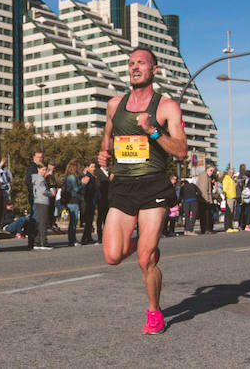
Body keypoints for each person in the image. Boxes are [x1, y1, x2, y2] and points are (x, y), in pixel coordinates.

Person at [98, 47, 187, 335]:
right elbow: (107, 140)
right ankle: (147, 244)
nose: (135, 67)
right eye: (132, 63)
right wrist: (104, 155)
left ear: (154, 70)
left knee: (145, 259)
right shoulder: (114, 105)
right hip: (123, 185)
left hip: (153, 184)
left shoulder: (167, 107)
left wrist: (153, 131)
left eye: (142, 63)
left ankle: (154, 311)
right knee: (112, 256)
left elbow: (182, 151)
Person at [31, 163, 55, 250]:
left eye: (45, 170)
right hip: (42, 201)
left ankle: (37, 242)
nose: (44, 172)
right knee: (43, 222)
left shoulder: (37, 178)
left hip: (38, 201)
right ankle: (43, 242)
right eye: (43, 170)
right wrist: (51, 193)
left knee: (40, 221)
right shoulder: (40, 179)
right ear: (38, 169)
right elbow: (43, 191)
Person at [63, 159, 85, 246]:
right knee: (73, 221)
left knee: (73, 221)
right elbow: (76, 190)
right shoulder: (72, 177)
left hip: (71, 200)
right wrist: (83, 183)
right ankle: (72, 240)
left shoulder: (69, 177)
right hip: (72, 200)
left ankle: (72, 239)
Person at [81, 162, 101, 244]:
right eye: (92, 167)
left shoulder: (92, 177)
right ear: (87, 167)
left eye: (94, 167)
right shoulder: (88, 177)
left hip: (92, 201)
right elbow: (87, 190)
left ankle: (87, 237)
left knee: (90, 220)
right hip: (89, 201)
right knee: (89, 220)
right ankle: (85, 238)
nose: (94, 169)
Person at [221, 167, 237, 232]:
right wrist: (226, 197)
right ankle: (227, 227)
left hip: (233, 197)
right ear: (228, 172)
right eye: (230, 172)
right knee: (228, 212)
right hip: (229, 197)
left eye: (232, 173)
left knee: (232, 213)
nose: (231, 174)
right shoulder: (226, 179)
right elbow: (225, 189)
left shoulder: (232, 179)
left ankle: (231, 226)